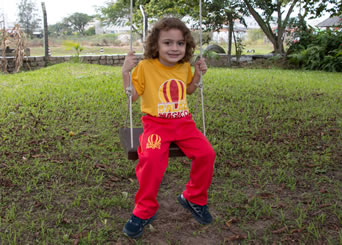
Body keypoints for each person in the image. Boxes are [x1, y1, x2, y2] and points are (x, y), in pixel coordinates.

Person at [121, 17, 216, 239]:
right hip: (156, 125)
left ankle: (193, 198)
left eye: (180, 43)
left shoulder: (184, 67)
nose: (174, 48)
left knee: (207, 154)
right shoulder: (145, 67)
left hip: (184, 124)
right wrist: (125, 72)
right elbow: (132, 97)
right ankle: (144, 210)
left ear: (186, 46)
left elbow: (190, 90)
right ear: (156, 45)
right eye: (168, 43)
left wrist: (199, 74)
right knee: (152, 159)